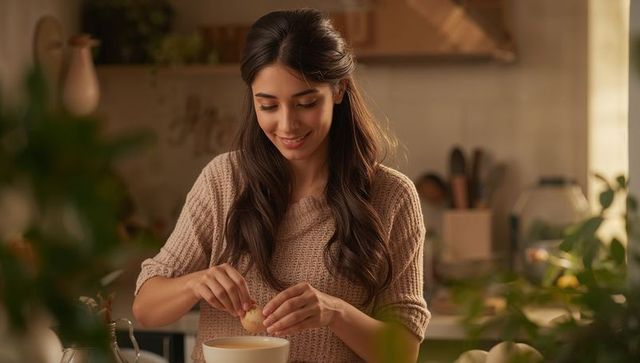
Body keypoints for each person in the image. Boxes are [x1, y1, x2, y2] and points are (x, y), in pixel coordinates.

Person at [133, 8, 430, 362]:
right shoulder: (224, 180)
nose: (287, 125)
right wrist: (193, 283)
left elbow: (405, 352)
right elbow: (146, 309)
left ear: (339, 90)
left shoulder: (391, 195)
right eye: (268, 105)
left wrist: (334, 312)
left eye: (306, 103)